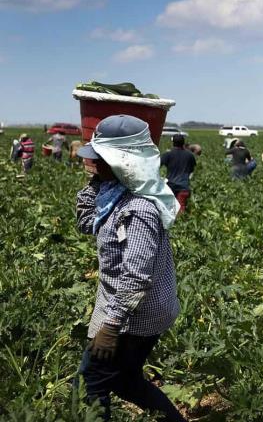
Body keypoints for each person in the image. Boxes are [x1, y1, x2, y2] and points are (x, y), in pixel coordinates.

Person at [73, 115, 184, 422]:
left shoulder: (138, 209)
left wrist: (110, 327)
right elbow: (86, 223)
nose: (95, 165)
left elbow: (136, 276)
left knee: (93, 378)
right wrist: (93, 183)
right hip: (136, 308)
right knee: (125, 380)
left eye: (101, 160)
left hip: (137, 313)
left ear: (122, 162)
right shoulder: (114, 196)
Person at [160, 134, 197, 215]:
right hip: (184, 186)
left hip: (170, 186)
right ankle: (181, 224)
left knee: (168, 209)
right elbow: (192, 170)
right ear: (183, 143)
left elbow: (157, 166)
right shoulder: (190, 155)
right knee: (181, 208)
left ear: (173, 143)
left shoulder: (168, 154)